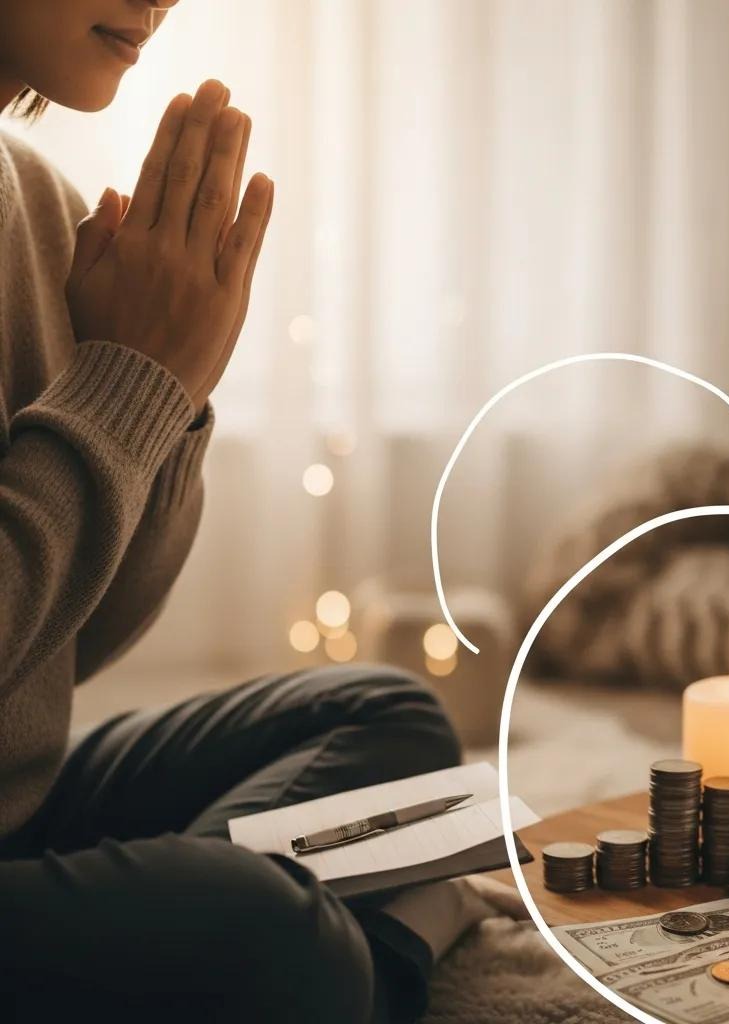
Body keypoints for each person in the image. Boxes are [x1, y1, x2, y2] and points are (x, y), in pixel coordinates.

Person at [0, 3, 508, 1020]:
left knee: (383, 712)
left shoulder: (42, 204)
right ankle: (371, 943)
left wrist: (169, 396)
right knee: (268, 934)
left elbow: (77, 640)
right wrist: (123, 388)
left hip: (18, 803)